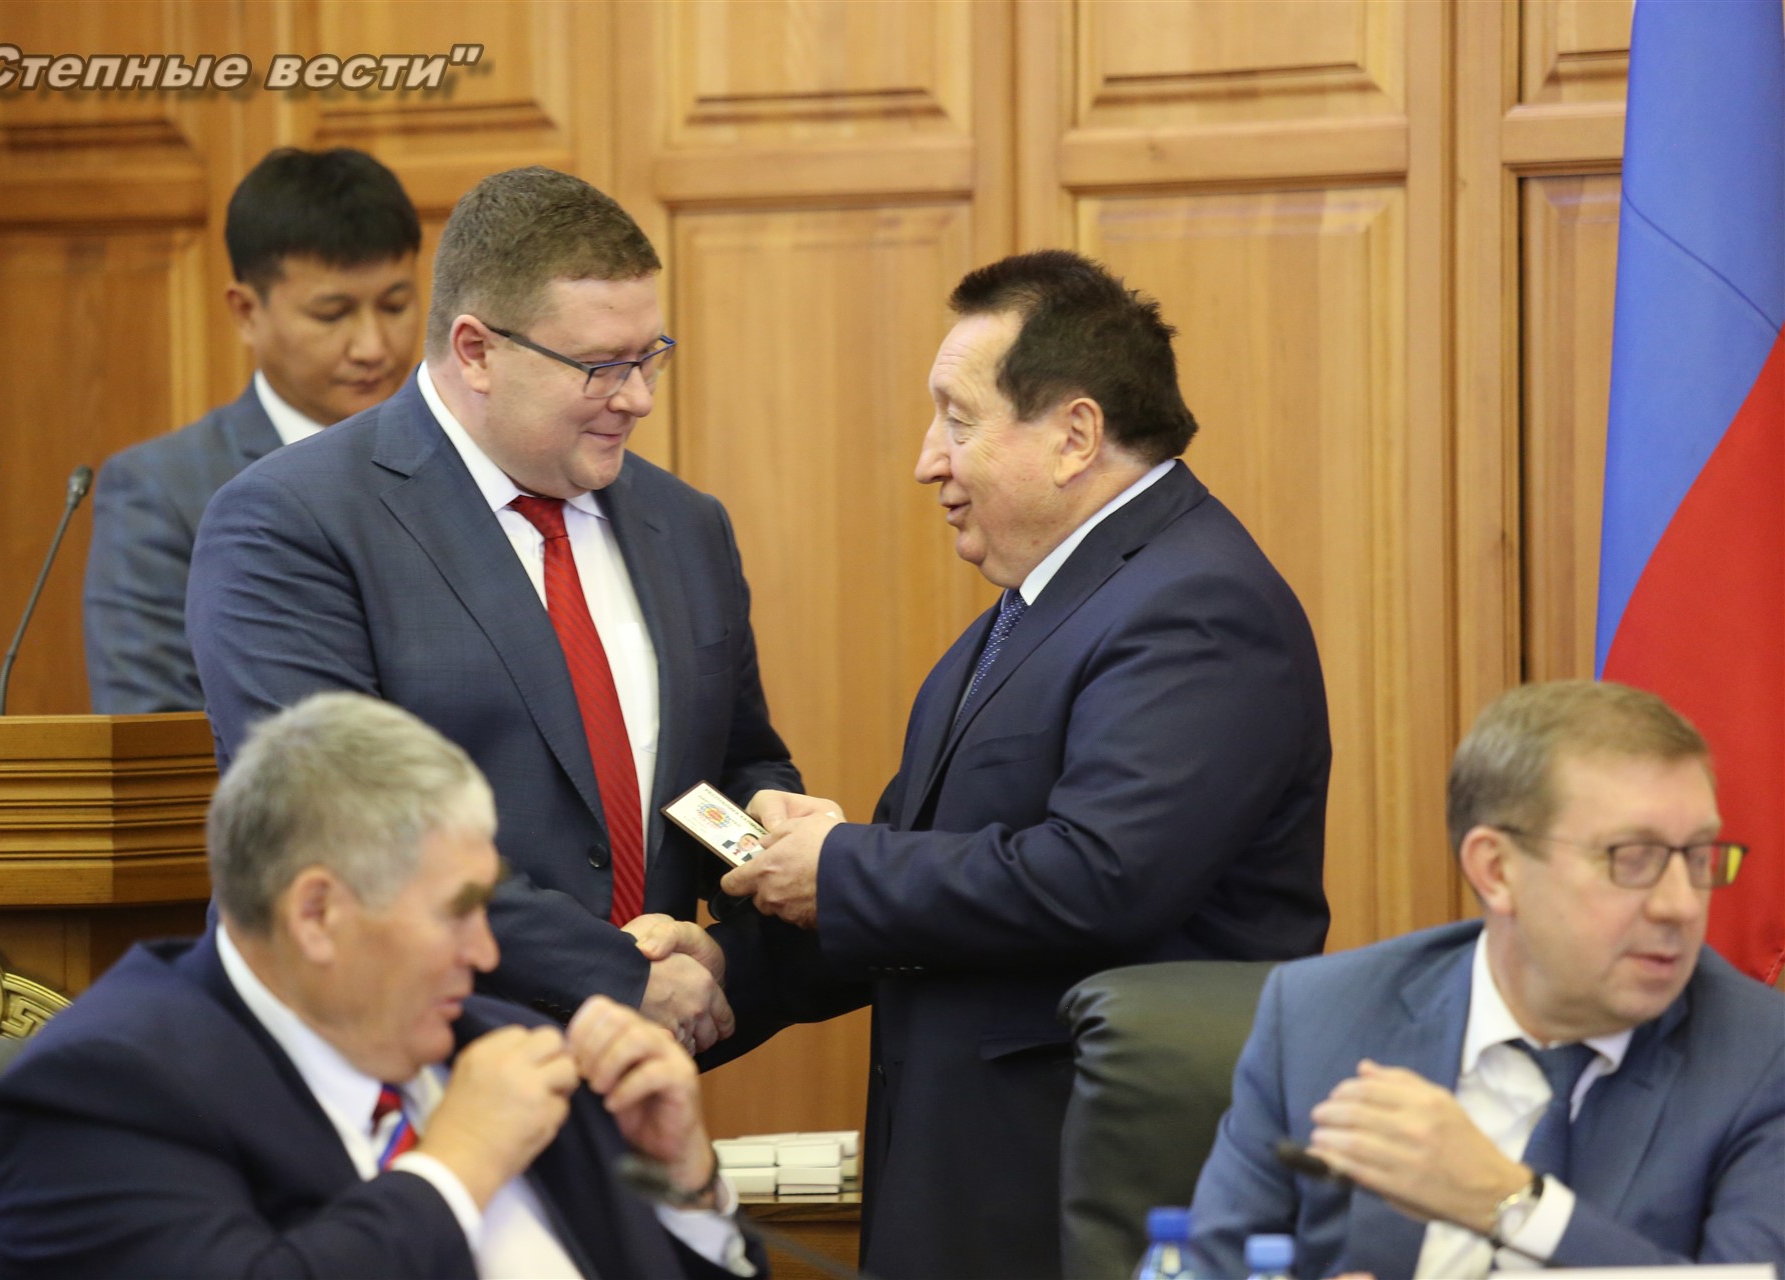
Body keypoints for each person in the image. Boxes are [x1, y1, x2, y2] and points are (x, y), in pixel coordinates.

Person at [665, 249, 1332, 1280]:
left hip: (1091, 1204)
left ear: (1075, 436)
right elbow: (924, 891)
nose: (927, 460)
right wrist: (715, 974)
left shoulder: (1197, 606)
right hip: (973, 1192)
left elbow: (1099, 876)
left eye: (958, 421)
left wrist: (839, 864)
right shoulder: (1029, 614)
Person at [185, 166, 799, 1050]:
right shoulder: (291, 522)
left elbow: (730, 765)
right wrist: (614, 976)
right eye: (602, 366)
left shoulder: (687, 526)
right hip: (391, 1066)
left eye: (650, 356)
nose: (638, 396)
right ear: (475, 350)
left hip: (634, 1078)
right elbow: (350, 830)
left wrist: (765, 846)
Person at [0, 692, 761, 1280]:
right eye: (456, 913)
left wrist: (684, 1192)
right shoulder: (104, 1092)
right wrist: (457, 1165)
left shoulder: (505, 1048)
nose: (486, 951)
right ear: (317, 914)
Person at [1187, 680, 1785, 1279]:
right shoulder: (1320, 1016)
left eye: (1699, 857)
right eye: (1632, 859)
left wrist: (1506, 1202)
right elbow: (1207, 1268)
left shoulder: (1761, 1057)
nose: (1681, 905)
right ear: (1496, 870)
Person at [84, 146, 422, 714]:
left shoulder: (467, 461)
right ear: (246, 312)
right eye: (332, 314)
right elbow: (152, 728)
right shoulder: (163, 493)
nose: (373, 347)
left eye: (395, 305)